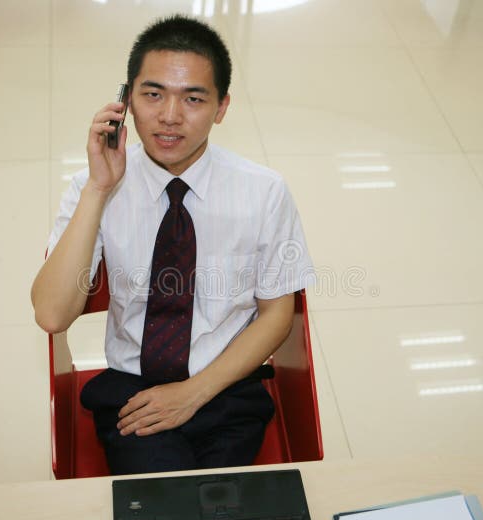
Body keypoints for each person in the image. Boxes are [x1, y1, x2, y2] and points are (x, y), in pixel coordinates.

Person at [31, 14, 313, 475]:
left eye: (194, 98)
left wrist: (193, 392)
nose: (169, 116)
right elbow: (51, 314)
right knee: (166, 502)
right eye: (153, 94)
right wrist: (99, 191)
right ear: (126, 100)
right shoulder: (93, 186)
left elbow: (276, 314)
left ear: (222, 107)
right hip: (132, 389)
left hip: (226, 386)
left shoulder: (263, 191)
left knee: (221, 508)